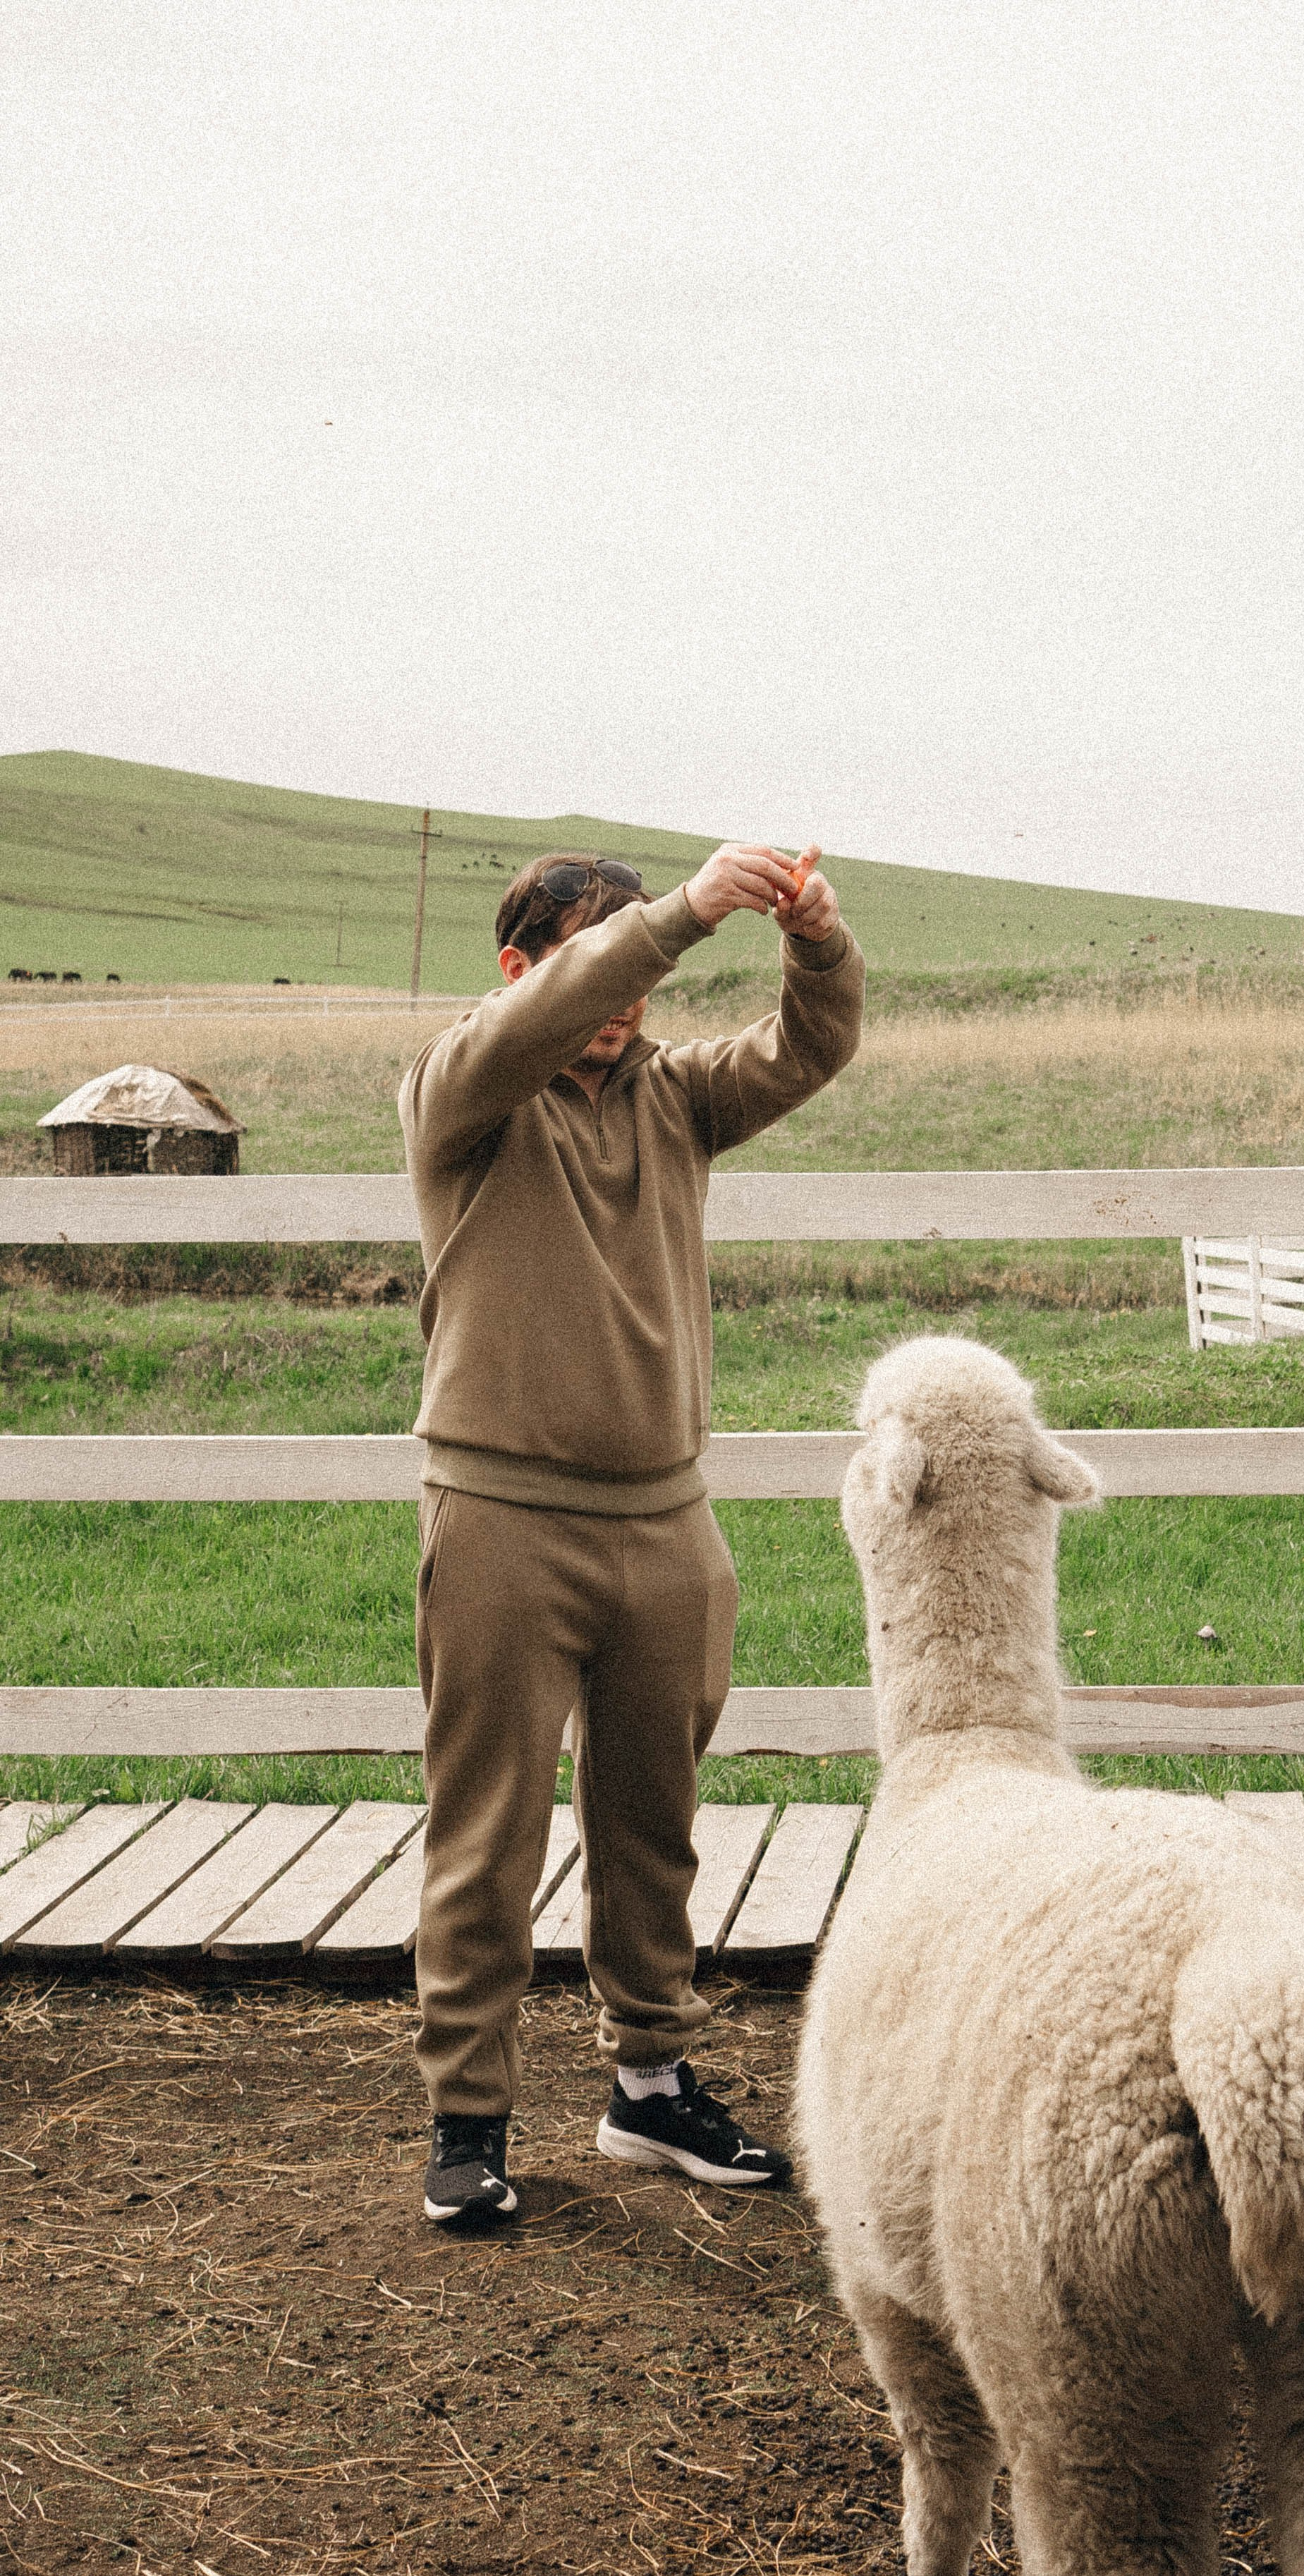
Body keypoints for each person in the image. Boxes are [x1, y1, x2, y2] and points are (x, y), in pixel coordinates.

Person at [398, 841, 864, 2224]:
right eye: (592, 963)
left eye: (637, 971)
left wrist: (815, 941)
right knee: (487, 1835)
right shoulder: (462, 1088)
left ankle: (648, 2090)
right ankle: (468, 2119)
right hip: (500, 1520)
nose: (623, 996)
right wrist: (680, 914)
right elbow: (544, 1019)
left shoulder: (678, 1096)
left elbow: (811, 1045)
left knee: (654, 1829)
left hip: (667, 1523)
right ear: (518, 967)